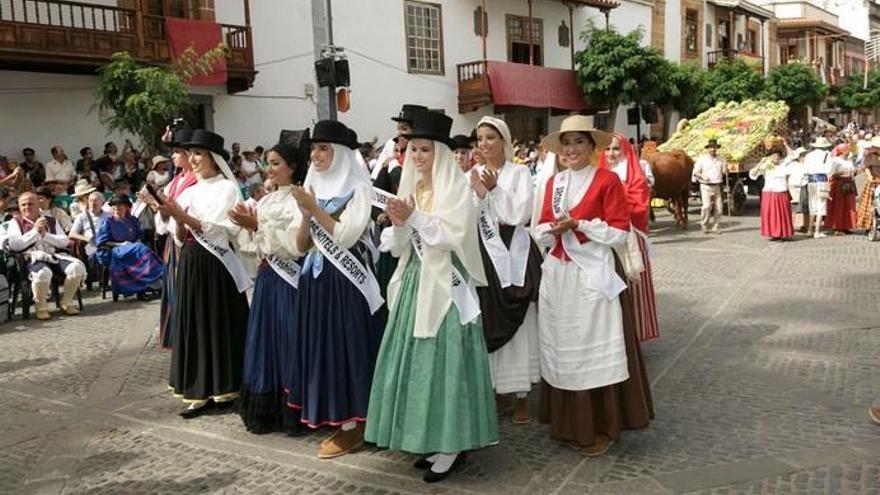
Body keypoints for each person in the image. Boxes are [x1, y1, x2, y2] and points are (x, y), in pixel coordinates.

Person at [365, 111, 498, 483]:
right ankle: (434, 438)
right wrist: (400, 224)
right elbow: (401, 245)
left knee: (447, 362)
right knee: (420, 363)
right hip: (416, 280)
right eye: (413, 150)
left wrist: (415, 219)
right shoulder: (415, 189)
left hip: (447, 287)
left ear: (439, 151)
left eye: (425, 149)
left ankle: (453, 443)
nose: (417, 156)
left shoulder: (456, 188)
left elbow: (451, 237)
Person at [534, 115, 653, 457]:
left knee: (592, 346)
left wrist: (580, 224)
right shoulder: (554, 184)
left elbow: (618, 232)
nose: (572, 149)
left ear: (591, 146)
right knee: (564, 344)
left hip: (593, 272)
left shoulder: (607, 181)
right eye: (566, 143)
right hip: (560, 274)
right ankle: (569, 422)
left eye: (578, 142)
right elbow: (539, 229)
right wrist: (551, 230)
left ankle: (602, 425)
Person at [286, 120, 382, 458]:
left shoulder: (358, 189)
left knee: (347, 350)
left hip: (346, 285)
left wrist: (313, 210)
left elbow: (347, 235)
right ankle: (341, 419)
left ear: (340, 153)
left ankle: (355, 425)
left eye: (323, 148)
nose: (316, 155)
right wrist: (304, 214)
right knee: (323, 350)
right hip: (315, 284)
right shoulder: (312, 188)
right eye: (313, 148)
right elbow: (300, 246)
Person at [156, 129, 249, 418]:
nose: (193, 159)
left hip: (217, 266)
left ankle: (226, 386)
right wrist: (177, 221)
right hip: (192, 262)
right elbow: (180, 234)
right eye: (191, 154)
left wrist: (184, 217)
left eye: (198, 153)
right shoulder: (190, 191)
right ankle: (198, 390)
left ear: (213, 158)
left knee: (218, 322)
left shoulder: (227, 189)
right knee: (194, 323)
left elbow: (223, 229)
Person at [229, 132, 308, 435]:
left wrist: (256, 226)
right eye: (268, 164)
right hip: (268, 279)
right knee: (266, 341)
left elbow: (294, 247)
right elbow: (251, 245)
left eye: (276, 163)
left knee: (288, 339)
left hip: (289, 281)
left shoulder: (298, 199)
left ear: (291, 166)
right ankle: (268, 406)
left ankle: (293, 409)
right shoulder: (267, 200)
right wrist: (246, 226)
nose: (269, 169)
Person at [470, 116, 542, 424]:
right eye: (480, 138)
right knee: (488, 320)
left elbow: (520, 214)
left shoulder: (520, 172)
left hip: (515, 255)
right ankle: (498, 390)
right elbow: (468, 213)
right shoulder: (472, 173)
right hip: (485, 253)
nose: (484, 143)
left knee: (520, 321)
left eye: (490, 137)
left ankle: (522, 394)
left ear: (504, 141)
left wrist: (495, 189)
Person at [142, 127, 199, 350]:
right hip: (173, 240)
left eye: (176, 152)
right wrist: (155, 204)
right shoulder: (176, 180)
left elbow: (183, 211)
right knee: (174, 287)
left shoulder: (194, 180)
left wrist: (161, 206)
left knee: (185, 289)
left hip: (188, 239)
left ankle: (188, 335)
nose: (173, 157)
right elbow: (167, 213)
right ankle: (177, 335)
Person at [599, 134, 660, 342]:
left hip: (631, 235)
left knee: (634, 286)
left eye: (616, 149)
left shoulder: (634, 174)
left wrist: (616, 200)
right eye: (607, 149)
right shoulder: (598, 173)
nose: (611, 154)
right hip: (606, 236)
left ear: (624, 150)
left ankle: (637, 332)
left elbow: (640, 205)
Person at [5, 192, 86, 319]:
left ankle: (66, 302)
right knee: (43, 273)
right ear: (19, 207)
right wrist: (35, 231)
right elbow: (15, 245)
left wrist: (45, 235)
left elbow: (64, 241)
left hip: (54, 256)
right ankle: (41, 307)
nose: (27, 207)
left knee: (76, 268)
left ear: (38, 204)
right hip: (31, 258)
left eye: (31, 204)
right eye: (23, 205)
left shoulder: (51, 220)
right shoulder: (14, 223)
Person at [94, 194, 163, 299]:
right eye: (114, 206)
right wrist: (121, 244)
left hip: (132, 251)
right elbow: (102, 243)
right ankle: (160, 274)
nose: (116, 208)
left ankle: (144, 288)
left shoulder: (133, 221)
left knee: (140, 250)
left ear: (127, 207)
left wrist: (132, 245)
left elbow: (138, 237)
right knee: (140, 248)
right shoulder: (107, 222)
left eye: (120, 205)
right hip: (113, 251)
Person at [749, 141, 795, 241]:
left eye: (778, 156)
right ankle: (773, 233)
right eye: (774, 156)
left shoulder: (783, 164)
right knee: (772, 215)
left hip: (781, 192)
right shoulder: (766, 166)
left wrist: (786, 145)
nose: (776, 158)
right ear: (769, 157)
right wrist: (761, 162)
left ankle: (782, 233)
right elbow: (753, 174)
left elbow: (792, 155)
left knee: (782, 215)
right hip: (769, 193)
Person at [803, 137, 838, 238]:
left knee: (812, 205)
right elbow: (829, 169)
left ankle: (810, 229)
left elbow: (805, 169)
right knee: (821, 206)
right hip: (821, 180)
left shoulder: (809, 155)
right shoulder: (827, 154)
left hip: (811, 180)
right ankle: (817, 231)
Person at [692, 139, 725, 234]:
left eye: (714, 147)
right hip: (705, 186)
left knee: (719, 208)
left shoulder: (721, 159)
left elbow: (723, 171)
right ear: (708, 149)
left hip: (717, 185)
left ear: (717, 148)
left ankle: (716, 226)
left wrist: (725, 170)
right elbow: (695, 173)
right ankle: (704, 224)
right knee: (706, 206)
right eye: (711, 147)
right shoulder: (702, 159)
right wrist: (702, 176)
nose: (713, 149)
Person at [823, 146, 857, 235]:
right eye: (847, 150)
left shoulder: (848, 161)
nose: (848, 151)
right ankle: (837, 227)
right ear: (842, 151)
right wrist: (840, 173)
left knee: (848, 206)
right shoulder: (835, 160)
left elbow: (853, 171)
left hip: (848, 183)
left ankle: (846, 226)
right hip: (838, 184)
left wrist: (853, 172)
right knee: (839, 205)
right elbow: (829, 173)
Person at [856, 137, 880, 231]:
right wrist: (869, 176)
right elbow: (866, 167)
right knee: (869, 203)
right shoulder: (870, 156)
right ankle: (868, 224)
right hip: (873, 181)